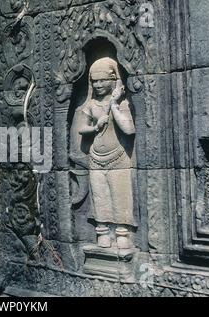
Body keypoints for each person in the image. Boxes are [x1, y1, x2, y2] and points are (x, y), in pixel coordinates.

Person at [77, 57, 136, 249]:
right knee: (100, 194)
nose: (98, 84)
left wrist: (114, 105)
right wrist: (95, 126)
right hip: (96, 157)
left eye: (103, 80)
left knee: (120, 194)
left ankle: (121, 231)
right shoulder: (91, 105)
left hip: (118, 156)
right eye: (94, 81)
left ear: (114, 81)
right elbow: (81, 129)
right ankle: (102, 230)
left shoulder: (121, 104)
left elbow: (128, 129)